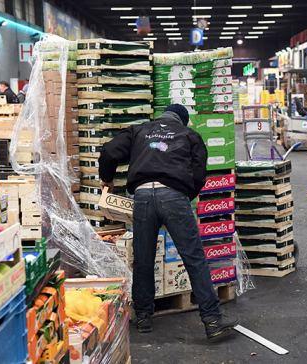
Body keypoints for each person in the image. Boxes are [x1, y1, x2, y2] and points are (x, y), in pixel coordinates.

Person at [98, 104, 238, 339]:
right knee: (194, 258)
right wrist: (182, 197)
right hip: (173, 195)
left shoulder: (139, 130)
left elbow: (110, 151)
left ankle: (143, 317)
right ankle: (212, 321)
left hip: (142, 196)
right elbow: (199, 173)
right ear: (182, 120)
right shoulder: (189, 135)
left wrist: (107, 179)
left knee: (143, 259)